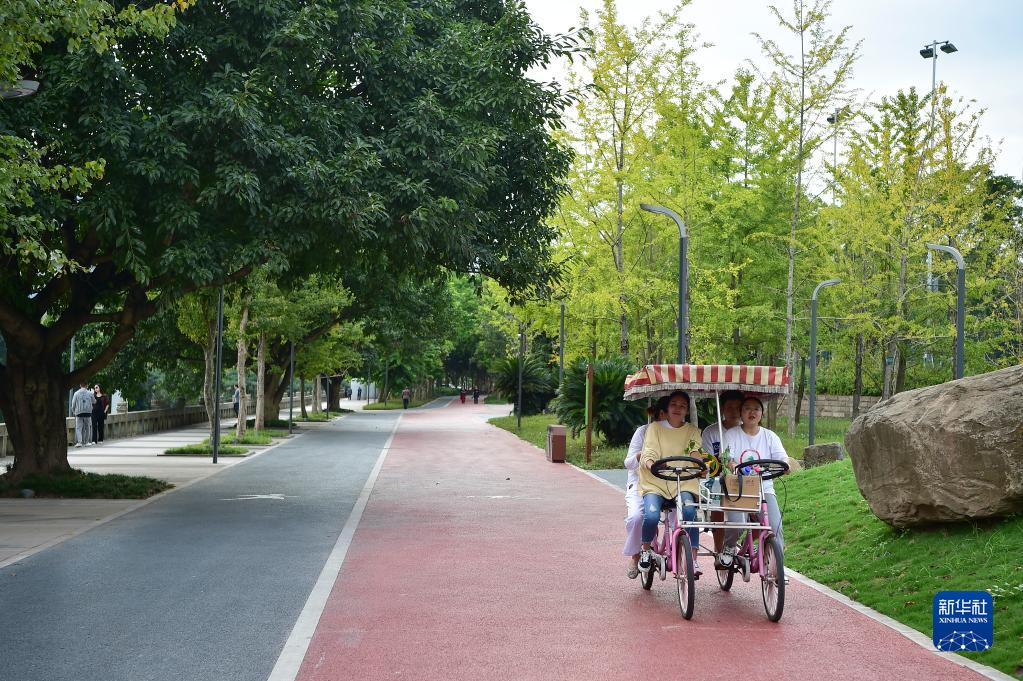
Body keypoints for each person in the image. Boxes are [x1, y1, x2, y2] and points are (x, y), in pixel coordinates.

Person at [638, 390, 705, 576]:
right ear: (667, 408)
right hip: (656, 481)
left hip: (683, 481)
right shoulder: (655, 428)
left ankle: (693, 559)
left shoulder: (692, 430)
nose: (678, 408)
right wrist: (652, 465)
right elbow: (649, 452)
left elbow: (694, 451)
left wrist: (699, 464)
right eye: (674, 404)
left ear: (687, 411)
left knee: (690, 512)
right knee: (651, 516)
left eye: (683, 406)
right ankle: (645, 550)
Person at [722, 396, 790, 551]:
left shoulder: (770, 436)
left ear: (761, 414)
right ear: (741, 413)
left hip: (763, 488)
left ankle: (776, 569)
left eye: (756, 409)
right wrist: (733, 465)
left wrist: (786, 465)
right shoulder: (731, 434)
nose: (752, 412)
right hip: (739, 488)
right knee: (736, 525)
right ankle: (729, 548)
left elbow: (782, 456)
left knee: (775, 526)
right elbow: (728, 458)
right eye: (747, 408)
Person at [623, 397, 669, 578]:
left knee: (683, 517)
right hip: (640, 483)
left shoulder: (682, 432)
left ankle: (683, 554)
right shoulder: (643, 432)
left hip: (669, 483)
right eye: (664, 413)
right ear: (658, 413)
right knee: (636, 517)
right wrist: (641, 456)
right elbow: (627, 463)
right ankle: (636, 554)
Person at [700, 389, 745, 563]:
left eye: (737, 407)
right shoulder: (711, 432)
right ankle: (719, 550)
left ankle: (738, 544)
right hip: (717, 478)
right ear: (722, 409)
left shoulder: (745, 431)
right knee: (717, 503)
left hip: (740, 479)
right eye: (729, 407)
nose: (733, 411)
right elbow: (708, 459)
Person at [70, 381, 95, 447]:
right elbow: (94, 401)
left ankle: (80, 442)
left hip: (79, 412)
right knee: (87, 427)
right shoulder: (90, 393)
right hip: (88, 412)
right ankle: (86, 442)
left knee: (78, 427)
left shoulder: (76, 393)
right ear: (87, 385)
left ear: (80, 385)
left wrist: (73, 411)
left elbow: (73, 404)